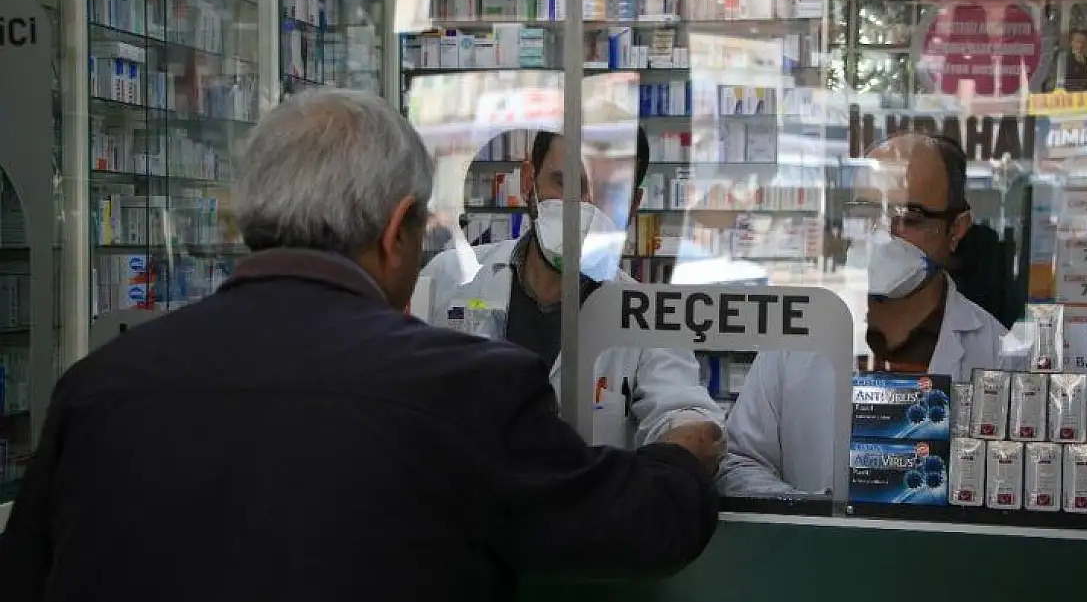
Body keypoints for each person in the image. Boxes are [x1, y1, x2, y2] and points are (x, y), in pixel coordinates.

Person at [0, 89, 723, 602]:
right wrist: (683, 464)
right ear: (396, 229)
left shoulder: (98, 385)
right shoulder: (464, 385)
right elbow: (636, 524)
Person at [719, 132, 1026, 496]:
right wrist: (818, 519)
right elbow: (738, 462)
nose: (882, 235)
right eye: (866, 211)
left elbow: (1015, 486)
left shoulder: (1000, 355)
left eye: (909, 216)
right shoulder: (797, 336)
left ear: (955, 229)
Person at [421, 127, 727, 449]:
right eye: (565, 183)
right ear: (529, 182)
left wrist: (684, 440)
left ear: (634, 204)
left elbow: (683, 412)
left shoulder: (646, 317)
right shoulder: (449, 277)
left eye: (610, 193)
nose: (584, 207)